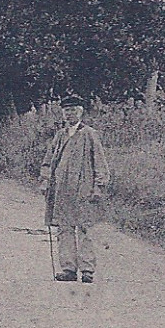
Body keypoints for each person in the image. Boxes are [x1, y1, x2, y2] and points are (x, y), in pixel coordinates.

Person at [38, 94, 109, 282]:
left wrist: (99, 186)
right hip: (61, 190)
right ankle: (68, 269)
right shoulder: (60, 135)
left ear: (80, 112)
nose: (69, 114)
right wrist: (45, 181)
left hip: (84, 190)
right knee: (64, 228)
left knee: (85, 228)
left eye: (73, 110)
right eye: (66, 111)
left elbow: (100, 162)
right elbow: (48, 161)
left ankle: (87, 270)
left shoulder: (89, 134)